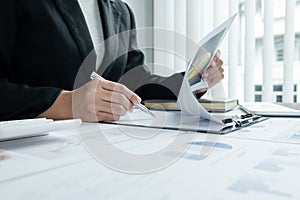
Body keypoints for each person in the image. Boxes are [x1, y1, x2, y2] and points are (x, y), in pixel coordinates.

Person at [0, 0, 224, 122]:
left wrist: (191, 81)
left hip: (99, 147)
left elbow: (136, 80)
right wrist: (69, 103)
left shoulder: (121, 10)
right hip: (33, 152)